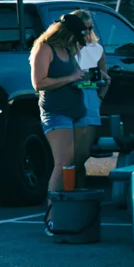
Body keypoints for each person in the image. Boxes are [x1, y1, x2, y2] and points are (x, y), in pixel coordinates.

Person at [30, 13, 87, 223]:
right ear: (65, 33)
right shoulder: (44, 48)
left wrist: (88, 79)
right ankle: (52, 215)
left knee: (74, 162)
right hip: (56, 112)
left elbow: (77, 74)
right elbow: (39, 83)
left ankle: (71, 210)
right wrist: (70, 78)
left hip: (76, 110)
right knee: (62, 163)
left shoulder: (68, 49)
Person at [72, 10, 111, 189]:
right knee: (71, 153)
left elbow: (106, 78)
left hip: (91, 97)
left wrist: (100, 98)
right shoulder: (67, 48)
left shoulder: (97, 49)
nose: (87, 32)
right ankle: (71, 188)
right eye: (84, 28)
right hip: (71, 97)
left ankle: (79, 189)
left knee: (83, 152)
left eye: (90, 28)